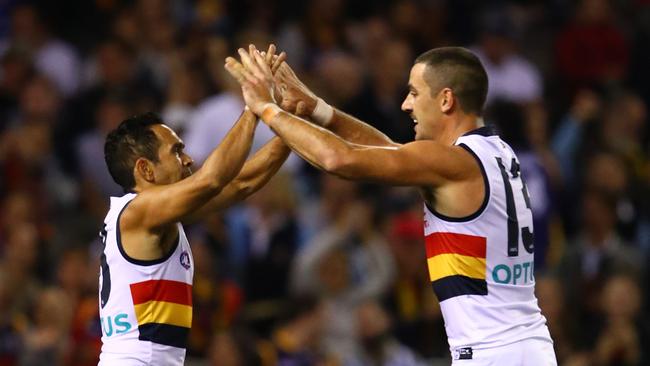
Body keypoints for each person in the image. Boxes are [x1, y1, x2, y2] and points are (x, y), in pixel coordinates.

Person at [226, 44, 556, 365]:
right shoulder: (496, 153)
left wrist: (267, 109)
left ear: (445, 99)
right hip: (530, 347)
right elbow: (389, 151)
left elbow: (337, 159)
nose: (404, 105)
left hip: (491, 353)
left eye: (414, 92)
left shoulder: (454, 163)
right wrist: (317, 109)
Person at [98, 47, 290, 365]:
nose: (188, 159)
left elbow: (242, 183)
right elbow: (212, 179)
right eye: (176, 151)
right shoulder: (138, 212)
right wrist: (255, 109)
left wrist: (292, 122)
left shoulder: (158, 216)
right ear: (145, 170)